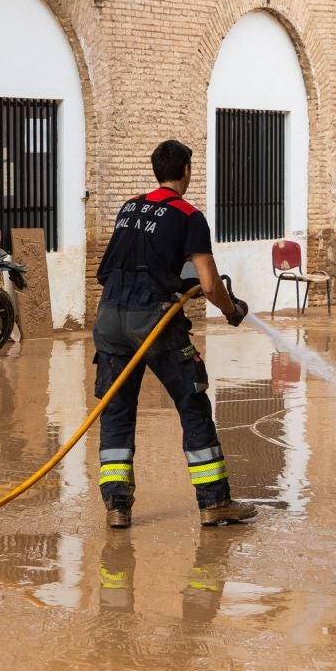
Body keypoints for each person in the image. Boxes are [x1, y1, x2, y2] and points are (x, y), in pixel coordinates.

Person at [92, 139, 251, 530]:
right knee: (192, 405)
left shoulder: (129, 208)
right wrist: (232, 311)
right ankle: (215, 503)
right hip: (154, 322)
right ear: (186, 172)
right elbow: (211, 284)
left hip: (109, 319)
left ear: (155, 170)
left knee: (116, 410)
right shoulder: (188, 216)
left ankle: (117, 506)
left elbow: (124, 263)